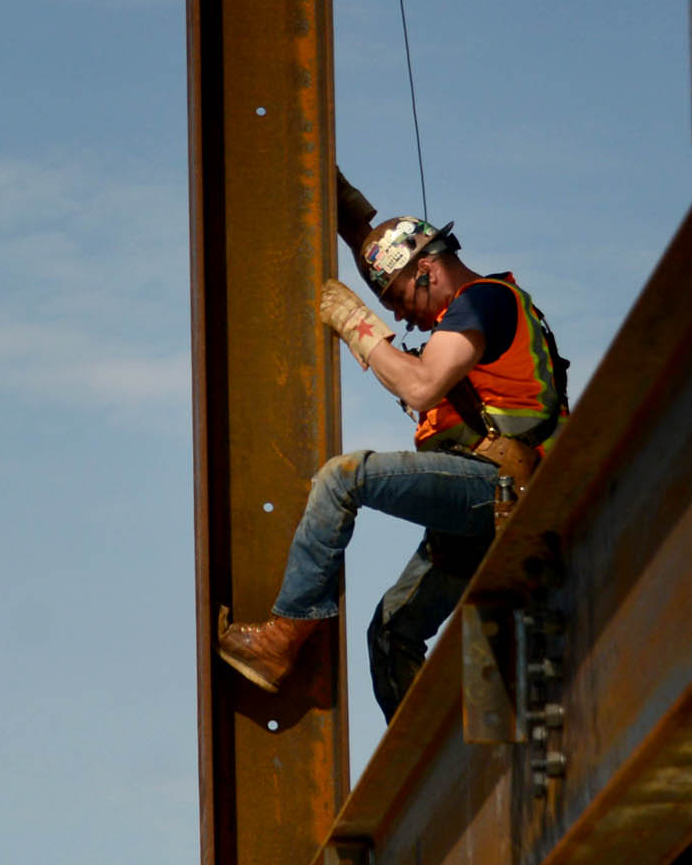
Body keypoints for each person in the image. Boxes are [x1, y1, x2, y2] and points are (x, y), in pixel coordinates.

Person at [216, 212, 569, 715]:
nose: (403, 319)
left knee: (345, 478)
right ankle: (428, 774)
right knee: (390, 633)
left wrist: (359, 327)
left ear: (429, 269)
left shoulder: (483, 301)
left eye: (401, 301)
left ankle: (283, 635)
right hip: (482, 501)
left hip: (497, 490)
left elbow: (421, 384)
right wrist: (342, 207)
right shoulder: (461, 310)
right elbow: (387, 253)